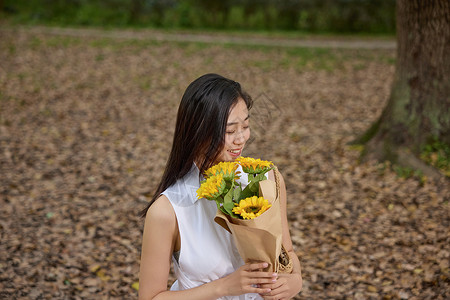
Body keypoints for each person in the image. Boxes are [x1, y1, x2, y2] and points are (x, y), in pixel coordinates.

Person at [139, 73, 302, 300]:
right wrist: (223, 287)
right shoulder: (168, 210)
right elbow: (150, 297)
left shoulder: (267, 180)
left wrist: (295, 280)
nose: (241, 139)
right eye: (229, 130)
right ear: (197, 133)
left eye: (245, 126)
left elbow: (288, 253)